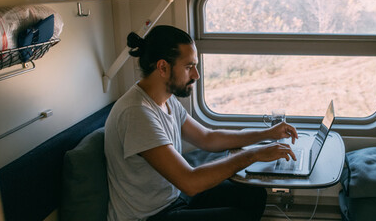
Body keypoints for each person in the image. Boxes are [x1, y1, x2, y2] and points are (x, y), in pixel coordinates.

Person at [104, 25, 299, 221]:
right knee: (237, 217)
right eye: (189, 67)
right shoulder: (137, 113)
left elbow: (208, 138)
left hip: (174, 198)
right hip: (150, 216)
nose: (196, 75)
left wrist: (267, 134)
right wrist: (254, 154)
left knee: (252, 195)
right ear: (163, 67)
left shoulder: (166, 99)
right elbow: (190, 182)